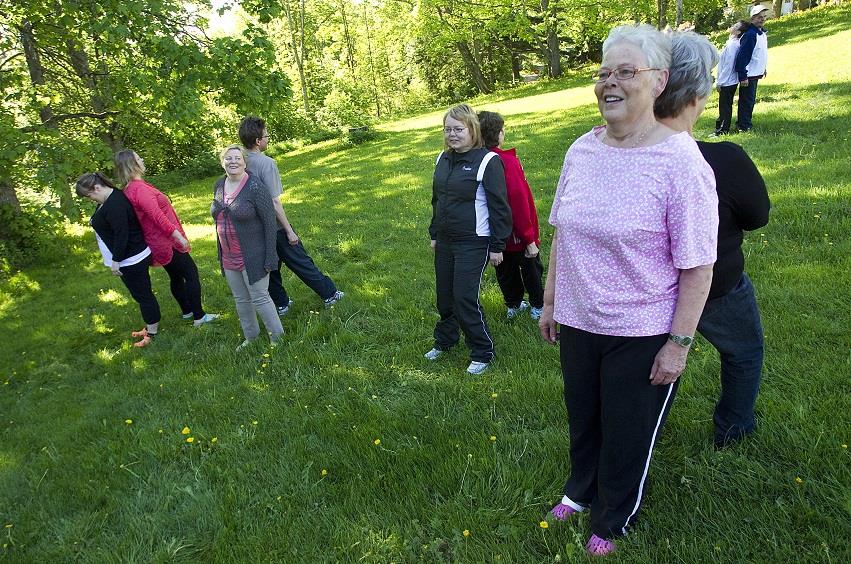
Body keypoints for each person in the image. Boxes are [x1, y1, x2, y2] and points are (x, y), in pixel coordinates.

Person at [539, 25, 718, 556]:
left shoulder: (682, 163)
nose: (609, 83)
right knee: (584, 415)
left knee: (627, 430)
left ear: (659, 81)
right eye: (603, 72)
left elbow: (698, 267)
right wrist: (550, 301)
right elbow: (563, 233)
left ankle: (615, 516)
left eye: (625, 72)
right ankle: (579, 488)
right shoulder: (582, 149)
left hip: (641, 329)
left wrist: (678, 343)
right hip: (578, 318)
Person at [656, 31, 770, 448]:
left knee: (648, 366)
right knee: (743, 351)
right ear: (698, 95)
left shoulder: (613, 155)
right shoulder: (724, 159)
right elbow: (757, 216)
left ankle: (641, 434)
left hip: (649, 292)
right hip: (717, 287)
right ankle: (734, 429)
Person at [425, 104, 512, 375]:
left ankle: (482, 351)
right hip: (446, 240)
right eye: (448, 129)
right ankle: (446, 340)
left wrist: (498, 246)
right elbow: (437, 200)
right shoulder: (443, 158)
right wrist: (435, 233)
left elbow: (500, 207)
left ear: (472, 130)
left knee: (464, 297)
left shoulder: (488, 161)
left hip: (474, 242)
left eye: (458, 129)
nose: (452, 134)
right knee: (445, 297)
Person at [238, 116, 344, 314]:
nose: (268, 139)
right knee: (300, 261)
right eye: (266, 136)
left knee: (271, 267)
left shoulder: (238, 161)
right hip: (274, 226)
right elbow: (274, 201)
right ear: (257, 141)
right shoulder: (266, 163)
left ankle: (281, 304)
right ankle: (330, 294)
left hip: (254, 229)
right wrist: (288, 231)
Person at [114, 150, 218, 327]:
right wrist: (177, 236)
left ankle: (187, 311)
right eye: (139, 158)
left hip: (157, 241)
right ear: (132, 165)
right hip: (165, 242)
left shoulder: (131, 189)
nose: (142, 159)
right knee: (191, 274)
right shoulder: (138, 189)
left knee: (176, 276)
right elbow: (157, 216)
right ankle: (199, 317)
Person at [76, 172, 161, 347]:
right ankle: (149, 326)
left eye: (89, 195)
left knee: (144, 296)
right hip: (128, 257)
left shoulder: (115, 203)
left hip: (132, 259)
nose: (90, 199)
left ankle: (152, 333)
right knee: (140, 295)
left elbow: (122, 234)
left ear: (97, 188)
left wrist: (116, 260)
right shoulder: (108, 199)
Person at [211, 145, 284, 349]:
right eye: (228, 158)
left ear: (245, 161)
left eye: (237, 158)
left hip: (253, 254)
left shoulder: (255, 187)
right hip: (228, 254)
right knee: (241, 299)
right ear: (222, 162)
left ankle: (278, 338)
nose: (233, 161)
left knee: (260, 297)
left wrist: (271, 256)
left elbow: (270, 224)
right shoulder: (219, 185)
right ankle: (251, 337)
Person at [477, 110, 544, 321]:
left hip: (494, 235)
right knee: (530, 268)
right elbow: (517, 201)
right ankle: (537, 305)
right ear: (498, 134)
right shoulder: (505, 161)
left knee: (505, 270)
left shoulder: (476, 161)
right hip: (516, 233)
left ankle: (514, 304)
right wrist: (529, 237)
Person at [734, 5, 769, 132]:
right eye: (759, 17)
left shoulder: (762, 33)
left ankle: (745, 122)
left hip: (756, 73)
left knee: (750, 100)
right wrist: (743, 75)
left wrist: (763, 68)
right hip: (749, 74)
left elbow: (760, 53)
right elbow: (743, 56)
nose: (762, 19)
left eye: (764, 17)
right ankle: (743, 125)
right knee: (747, 101)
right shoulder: (750, 35)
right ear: (753, 18)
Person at [713, 21, 749, 136]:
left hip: (728, 81)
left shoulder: (733, 45)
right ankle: (720, 128)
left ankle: (723, 130)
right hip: (728, 80)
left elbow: (729, 65)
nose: (733, 26)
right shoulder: (731, 43)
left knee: (725, 106)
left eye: (736, 26)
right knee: (724, 105)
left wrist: (720, 82)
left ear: (738, 32)